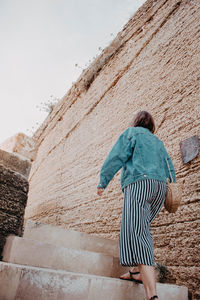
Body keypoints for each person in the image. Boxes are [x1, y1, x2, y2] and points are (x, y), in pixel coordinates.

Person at [97, 111, 176, 300]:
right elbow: (169, 164)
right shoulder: (157, 141)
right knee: (136, 228)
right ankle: (134, 271)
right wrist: (172, 183)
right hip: (159, 188)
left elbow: (116, 156)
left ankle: (152, 295)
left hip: (139, 184)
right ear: (151, 125)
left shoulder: (131, 133)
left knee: (139, 234)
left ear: (136, 122)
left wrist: (103, 180)